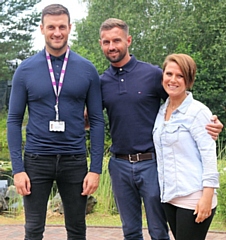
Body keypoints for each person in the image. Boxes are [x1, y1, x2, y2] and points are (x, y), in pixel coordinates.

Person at [99, 18, 223, 240]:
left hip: (151, 164)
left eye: (117, 40)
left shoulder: (154, 74)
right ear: (101, 44)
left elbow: (182, 101)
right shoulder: (101, 82)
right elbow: (92, 119)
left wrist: (211, 121)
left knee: (159, 230)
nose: (112, 46)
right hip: (118, 165)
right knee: (130, 230)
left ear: (128, 40)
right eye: (106, 42)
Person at [7, 4, 104, 240]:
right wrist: (18, 170)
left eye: (62, 26)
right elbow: (13, 120)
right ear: (42, 29)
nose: (57, 32)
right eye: (51, 27)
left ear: (70, 27)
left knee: (77, 230)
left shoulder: (87, 69)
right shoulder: (25, 70)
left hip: (74, 160)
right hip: (36, 160)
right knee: (33, 230)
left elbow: (98, 121)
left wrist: (95, 169)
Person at [153, 53, 220, 240]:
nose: (173, 80)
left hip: (193, 197)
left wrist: (207, 197)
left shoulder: (198, 112)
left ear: (188, 80)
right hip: (170, 196)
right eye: (169, 74)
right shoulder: (161, 110)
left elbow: (209, 155)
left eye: (180, 76)